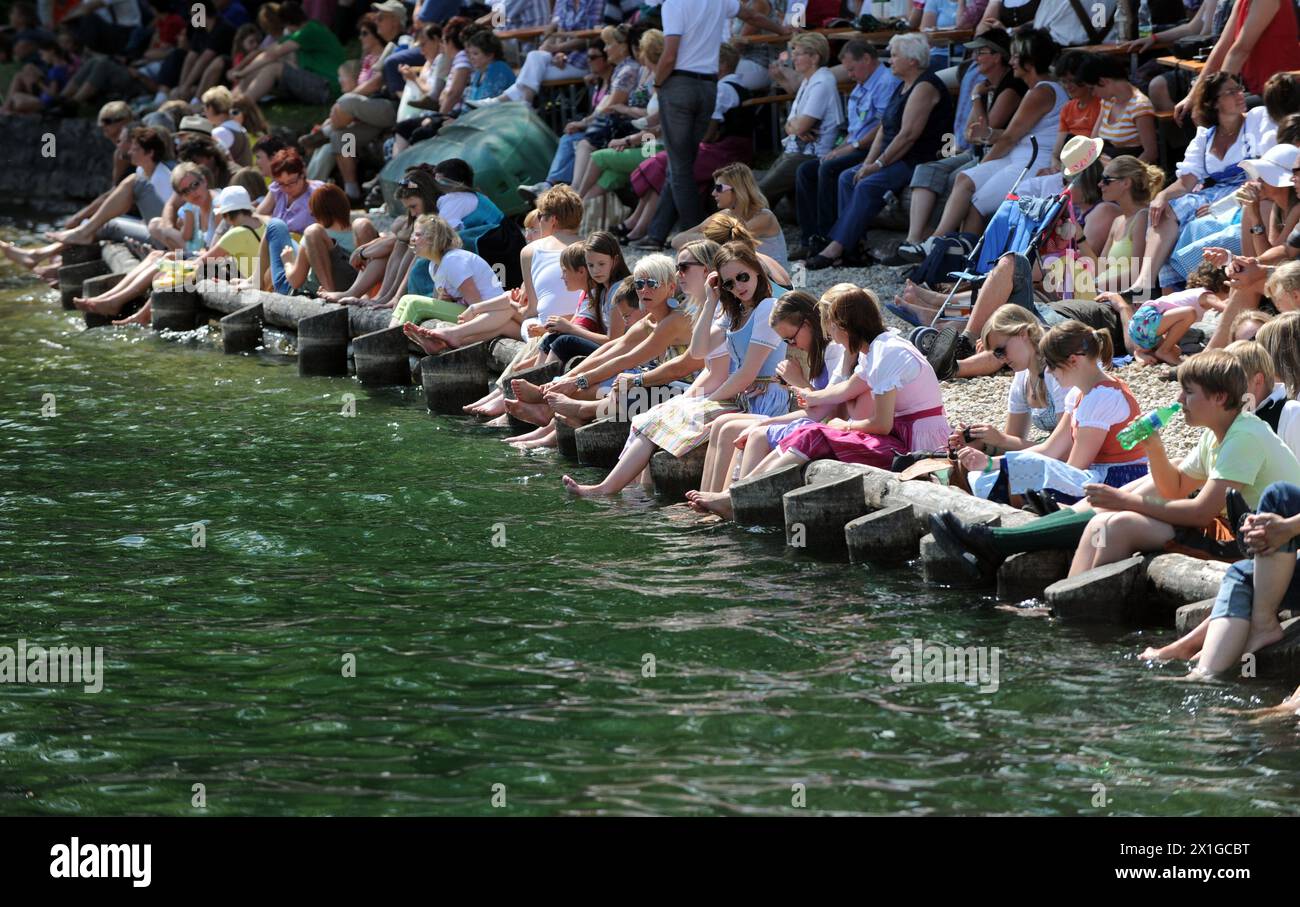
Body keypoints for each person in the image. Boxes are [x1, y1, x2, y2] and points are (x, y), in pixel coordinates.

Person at [931, 351, 1300, 584]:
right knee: (1107, 517)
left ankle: (1006, 550)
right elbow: (1173, 488)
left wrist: (1124, 502)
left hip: (1261, 544)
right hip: (1237, 530)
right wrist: (1154, 449)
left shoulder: (1244, 437)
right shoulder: (1217, 432)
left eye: (1188, 393)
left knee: (1116, 522)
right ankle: (1057, 598)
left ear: (1220, 398)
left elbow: (1201, 511)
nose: (1178, 401)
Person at [562, 241, 790, 497]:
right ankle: (626, 492)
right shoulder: (734, 311)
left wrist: (703, 401)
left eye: (743, 277)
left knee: (671, 413)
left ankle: (702, 499)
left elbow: (746, 373)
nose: (738, 286)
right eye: (729, 283)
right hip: (743, 396)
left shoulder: (766, 308)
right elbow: (700, 350)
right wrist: (711, 300)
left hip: (762, 398)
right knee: (652, 416)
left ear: (757, 271)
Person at [752, 287, 951, 473]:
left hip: (920, 443)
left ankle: (745, 491)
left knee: (816, 435)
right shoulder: (875, 348)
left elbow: (882, 424)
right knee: (812, 431)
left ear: (843, 327)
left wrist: (845, 425)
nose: (831, 336)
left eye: (830, 329)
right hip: (907, 433)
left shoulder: (886, 354)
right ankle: (741, 489)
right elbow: (848, 388)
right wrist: (811, 396)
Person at [951, 319, 1148, 507]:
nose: (1050, 373)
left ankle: (1019, 508)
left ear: (1072, 361)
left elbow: (1074, 468)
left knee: (1026, 473)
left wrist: (1017, 469)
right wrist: (989, 463)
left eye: (1052, 365)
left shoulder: (1102, 397)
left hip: (1119, 480)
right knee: (1008, 472)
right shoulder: (1079, 393)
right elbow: (1050, 449)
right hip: (1097, 476)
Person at [686, 289, 844, 513]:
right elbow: (814, 407)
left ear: (808, 323)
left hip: (822, 426)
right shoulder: (813, 351)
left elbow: (824, 410)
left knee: (742, 430)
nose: (790, 345)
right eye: (785, 341)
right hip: (811, 420)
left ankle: (732, 502)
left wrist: (797, 381)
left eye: (791, 338)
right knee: (724, 424)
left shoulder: (833, 352)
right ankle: (712, 500)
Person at [803, 32, 950, 271]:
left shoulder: (925, 86)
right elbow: (884, 127)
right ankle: (854, 249)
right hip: (894, 156)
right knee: (847, 177)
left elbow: (908, 135)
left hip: (916, 157)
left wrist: (878, 165)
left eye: (894, 55)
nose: (890, 60)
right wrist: (868, 163)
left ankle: (836, 248)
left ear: (912, 60)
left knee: (868, 185)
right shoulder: (903, 84)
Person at [656, 0, 791, 235]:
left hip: (680, 83)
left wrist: (656, 83)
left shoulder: (673, 5)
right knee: (683, 163)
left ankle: (694, 235)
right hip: (709, 85)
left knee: (680, 166)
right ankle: (656, 232)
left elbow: (669, 54)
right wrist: (782, 30)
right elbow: (752, 16)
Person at [895, 28, 1025, 262]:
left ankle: (936, 245)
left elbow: (985, 129)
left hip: (994, 154)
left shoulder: (1011, 88)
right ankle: (915, 240)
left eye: (981, 52)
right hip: (976, 149)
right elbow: (971, 131)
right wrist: (978, 110)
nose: (975, 58)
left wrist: (976, 98)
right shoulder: (986, 83)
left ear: (997, 56)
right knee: (926, 169)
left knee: (957, 177)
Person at [404, 185, 584, 354]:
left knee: (506, 311)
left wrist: (479, 308)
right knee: (502, 320)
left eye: (540, 217)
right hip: (575, 326)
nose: (538, 222)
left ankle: (453, 335)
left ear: (552, 220)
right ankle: (451, 338)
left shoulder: (532, 251)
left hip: (548, 327)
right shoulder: (587, 248)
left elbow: (530, 309)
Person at [924, 28, 1067, 241]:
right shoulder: (1038, 89)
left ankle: (962, 261)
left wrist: (984, 162)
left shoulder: (1040, 92)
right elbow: (1012, 134)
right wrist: (989, 135)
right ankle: (936, 242)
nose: (1012, 62)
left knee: (977, 203)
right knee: (964, 178)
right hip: (1019, 156)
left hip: (1033, 162)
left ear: (1030, 61)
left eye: (1016, 57)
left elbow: (1009, 138)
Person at [1129, 73, 1265, 297]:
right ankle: (1144, 282)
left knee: (1192, 225)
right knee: (1164, 209)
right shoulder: (1205, 135)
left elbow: (1262, 172)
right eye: (1230, 92)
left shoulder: (1256, 120)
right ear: (1213, 102)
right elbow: (1186, 182)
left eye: (1239, 89)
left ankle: (1190, 294)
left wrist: (1219, 207)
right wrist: (1162, 196)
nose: (1240, 95)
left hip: (1245, 193)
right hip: (1214, 194)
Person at [792, 39, 899, 261]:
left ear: (867, 60)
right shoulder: (862, 83)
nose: (849, 74)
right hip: (856, 145)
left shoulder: (885, 83)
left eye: (851, 68)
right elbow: (854, 128)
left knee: (830, 169)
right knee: (806, 170)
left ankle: (829, 236)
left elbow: (882, 126)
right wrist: (841, 147)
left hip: (874, 148)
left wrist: (851, 147)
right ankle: (810, 237)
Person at [754, 32, 845, 211]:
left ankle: (736, 232)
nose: (793, 58)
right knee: (768, 193)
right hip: (796, 149)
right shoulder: (809, 80)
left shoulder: (821, 83)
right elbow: (791, 124)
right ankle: (760, 231)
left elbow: (800, 126)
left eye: (798, 53)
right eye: (793, 53)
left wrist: (796, 126)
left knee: (760, 192)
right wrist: (795, 126)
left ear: (814, 57)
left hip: (810, 154)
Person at [469, 0, 605, 106]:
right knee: (533, 57)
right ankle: (519, 104)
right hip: (551, 53)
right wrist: (557, 51)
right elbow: (557, 29)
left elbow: (498, 18)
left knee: (485, 47)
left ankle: (498, 100)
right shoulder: (564, 1)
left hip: (582, 59)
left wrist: (473, 26)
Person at [389, 214, 502, 325]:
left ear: (434, 239)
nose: (412, 239)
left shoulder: (453, 261)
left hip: (490, 314)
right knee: (405, 300)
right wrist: (445, 301)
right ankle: (391, 337)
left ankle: (395, 341)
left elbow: (477, 304)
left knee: (414, 304)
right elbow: (438, 301)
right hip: (471, 311)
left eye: (418, 235)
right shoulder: (433, 266)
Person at [671, 164, 786, 273]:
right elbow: (676, 241)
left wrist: (705, 238)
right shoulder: (725, 215)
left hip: (772, 284)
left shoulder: (764, 217)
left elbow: (727, 240)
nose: (713, 193)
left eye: (719, 188)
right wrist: (708, 238)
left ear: (737, 189)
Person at [229, 0, 347, 106]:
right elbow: (266, 52)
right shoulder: (303, 32)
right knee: (263, 65)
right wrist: (241, 71)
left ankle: (243, 106)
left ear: (287, 24)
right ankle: (229, 101)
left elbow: (271, 55)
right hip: (319, 83)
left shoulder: (309, 31)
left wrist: (241, 72)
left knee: (274, 68)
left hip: (328, 87)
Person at [268, 184, 359, 294]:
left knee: (275, 226)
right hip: (355, 284)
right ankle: (254, 280)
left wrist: (288, 262)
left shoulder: (314, 237)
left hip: (307, 290)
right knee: (289, 240)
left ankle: (254, 282)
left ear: (317, 213)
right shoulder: (358, 233)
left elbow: (295, 281)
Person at [1080, 53, 1157, 163]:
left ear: (1103, 81)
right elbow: (1094, 141)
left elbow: (1150, 153)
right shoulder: (1108, 102)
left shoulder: (1140, 106)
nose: (1093, 94)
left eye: (1092, 88)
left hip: (1125, 172)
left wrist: (1118, 174)